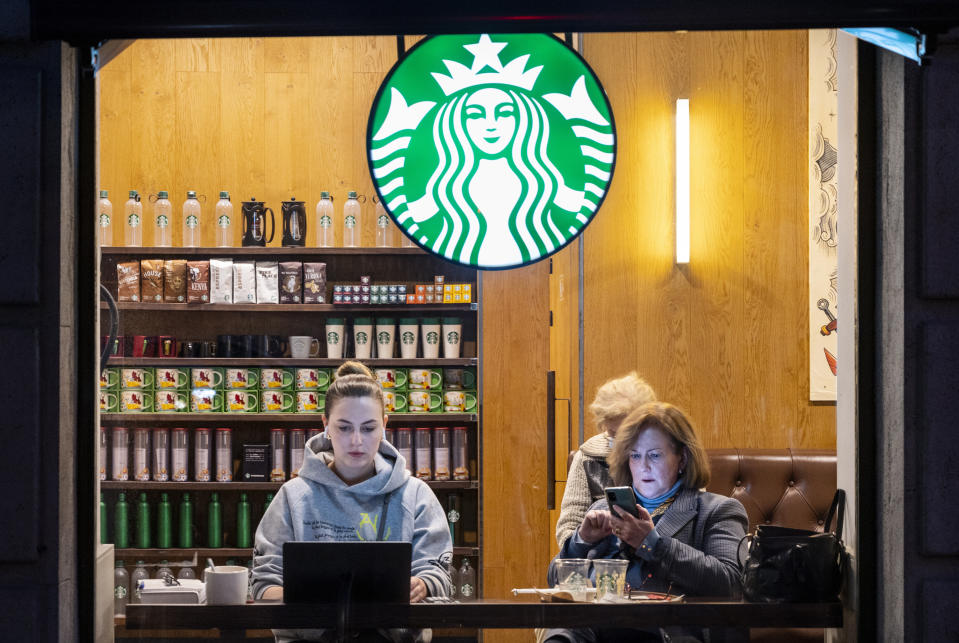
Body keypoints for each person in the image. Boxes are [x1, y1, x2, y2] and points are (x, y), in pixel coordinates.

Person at [252, 361, 452, 643]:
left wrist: (423, 585)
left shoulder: (415, 494)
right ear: (325, 425)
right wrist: (307, 602)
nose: (356, 441)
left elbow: (438, 575)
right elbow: (264, 583)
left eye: (368, 428)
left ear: (384, 425)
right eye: (344, 428)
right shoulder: (292, 497)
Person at [543, 402, 748, 643]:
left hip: (667, 632)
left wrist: (653, 544)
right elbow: (556, 582)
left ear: (682, 459)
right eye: (635, 456)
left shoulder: (717, 510)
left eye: (655, 455)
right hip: (592, 632)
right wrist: (580, 542)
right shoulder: (602, 509)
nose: (644, 466)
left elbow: (731, 586)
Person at [555, 372, 657, 548]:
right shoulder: (587, 457)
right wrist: (586, 538)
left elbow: (694, 520)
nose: (621, 444)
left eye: (630, 433)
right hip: (603, 563)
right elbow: (568, 531)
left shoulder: (673, 455)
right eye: (613, 434)